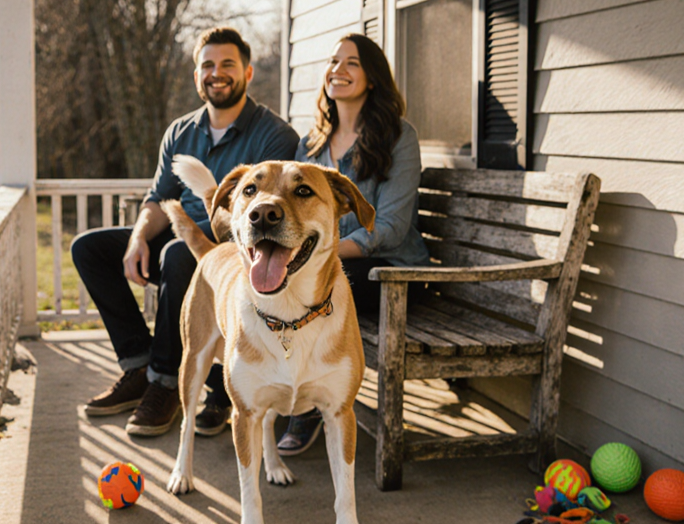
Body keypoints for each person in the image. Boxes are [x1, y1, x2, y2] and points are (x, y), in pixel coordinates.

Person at [71, 27, 300, 437]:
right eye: (207, 65)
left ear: (247, 72)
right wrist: (139, 236)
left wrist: (206, 232)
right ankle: (139, 366)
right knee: (89, 248)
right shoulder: (181, 131)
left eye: (227, 64)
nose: (217, 73)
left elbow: (270, 216)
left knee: (178, 253)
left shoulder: (273, 134)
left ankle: (164, 385)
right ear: (197, 76)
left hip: (237, 251)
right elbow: (159, 198)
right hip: (179, 237)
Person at [276, 32, 432, 456]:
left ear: (374, 78)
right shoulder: (310, 146)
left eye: (352, 63)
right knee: (274, 286)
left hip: (395, 273)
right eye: (333, 61)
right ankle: (267, 392)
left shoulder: (399, 138)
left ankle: (307, 407)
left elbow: (393, 226)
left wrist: (318, 254)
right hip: (333, 267)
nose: (337, 70)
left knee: (303, 285)